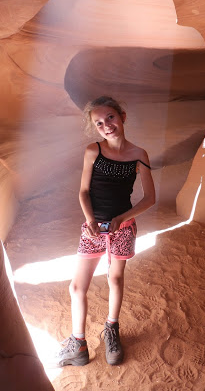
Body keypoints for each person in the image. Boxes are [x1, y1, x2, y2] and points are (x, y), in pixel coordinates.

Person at [55, 96, 155, 367]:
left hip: (123, 228)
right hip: (93, 228)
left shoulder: (138, 155)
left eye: (110, 117)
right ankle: (78, 344)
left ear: (122, 115)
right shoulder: (93, 151)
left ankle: (111, 330)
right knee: (77, 286)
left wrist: (122, 218)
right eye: (99, 123)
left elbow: (149, 199)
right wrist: (89, 221)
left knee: (115, 279)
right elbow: (84, 191)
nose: (106, 125)